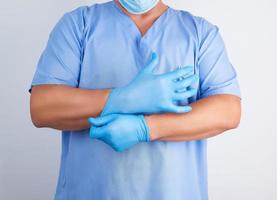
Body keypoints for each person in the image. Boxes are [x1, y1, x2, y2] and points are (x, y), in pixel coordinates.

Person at [29, 0, 241, 199]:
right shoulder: (79, 25)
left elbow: (228, 110)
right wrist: (120, 99)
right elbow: (43, 107)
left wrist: (146, 128)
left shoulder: (200, 33)